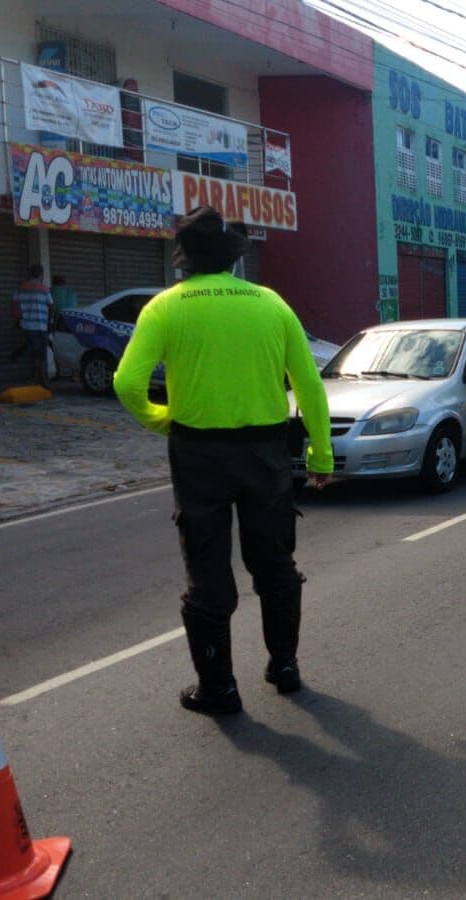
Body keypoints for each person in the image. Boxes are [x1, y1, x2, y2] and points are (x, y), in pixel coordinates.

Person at [113, 206, 334, 716]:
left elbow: (126, 383)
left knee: (209, 573)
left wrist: (162, 418)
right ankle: (284, 668)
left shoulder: (165, 308)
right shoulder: (272, 305)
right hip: (266, 454)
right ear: (233, 262)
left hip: (198, 455)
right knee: (275, 565)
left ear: (184, 263)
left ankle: (219, 688)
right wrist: (320, 453)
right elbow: (309, 387)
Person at [12, 264, 54, 387]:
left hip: (27, 326)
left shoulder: (20, 288)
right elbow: (52, 307)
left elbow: (15, 308)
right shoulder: (44, 289)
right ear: (41, 274)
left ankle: (38, 380)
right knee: (40, 355)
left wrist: (18, 322)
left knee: (35, 353)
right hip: (41, 326)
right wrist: (50, 322)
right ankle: (41, 381)